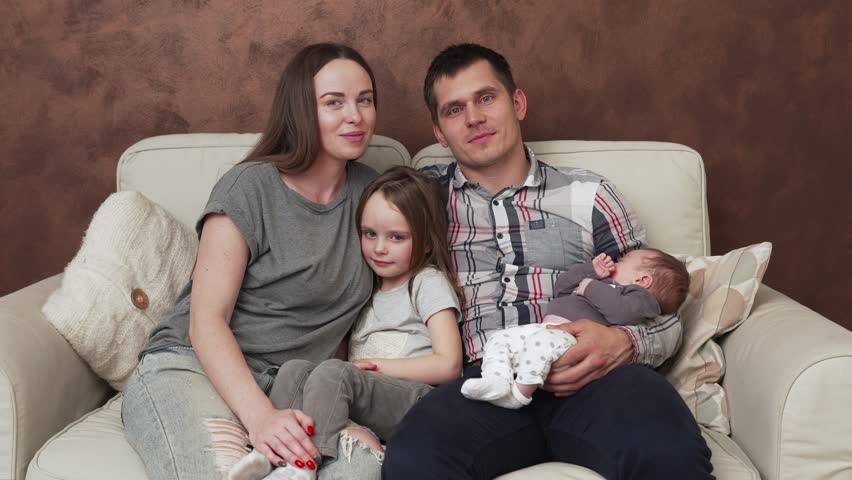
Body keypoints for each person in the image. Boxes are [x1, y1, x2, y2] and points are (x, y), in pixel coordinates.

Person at [382, 43, 714, 479]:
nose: (474, 118)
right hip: (485, 383)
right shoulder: (419, 201)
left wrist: (624, 343)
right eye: (454, 110)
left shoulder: (590, 195)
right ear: (440, 133)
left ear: (517, 103)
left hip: (590, 377)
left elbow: (664, 311)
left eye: (486, 98)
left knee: (669, 449)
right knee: (413, 459)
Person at [121, 43, 385, 480]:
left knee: (360, 467)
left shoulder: (375, 196)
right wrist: (260, 417)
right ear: (301, 110)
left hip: (292, 385)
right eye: (334, 102)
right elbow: (207, 320)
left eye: (365, 100)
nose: (355, 116)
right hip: (193, 368)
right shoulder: (250, 186)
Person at [227, 166, 463, 480]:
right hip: (368, 399)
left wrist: (378, 368)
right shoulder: (365, 288)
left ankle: (302, 466)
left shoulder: (426, 282)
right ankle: (275, 449)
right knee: (295, 369)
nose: (379, 248)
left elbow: (449, 365)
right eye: (370, 234)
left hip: (419, 401)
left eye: (397, 237)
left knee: (336, 372)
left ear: (426, 243)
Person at [462, 249, 690, 409]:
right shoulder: (602, 283)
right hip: (545, 330)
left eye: (623, 260)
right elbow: (561, 288)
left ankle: (518, 395)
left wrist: (590, 287)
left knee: (539, 345)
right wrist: (590, 271)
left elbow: (621, 313)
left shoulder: (639, 299)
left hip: (571, 339)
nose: (615, 261)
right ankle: (497, 380)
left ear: (643, 280)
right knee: (500, 339)